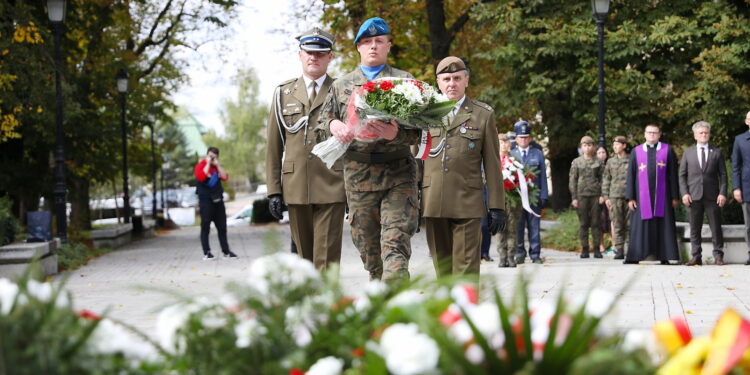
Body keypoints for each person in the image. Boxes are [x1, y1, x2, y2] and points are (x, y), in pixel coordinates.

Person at [318, 17, 420, 282]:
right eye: (366, 42)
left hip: (398, 174)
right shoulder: (340, 86)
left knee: (395, 245)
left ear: (388, 45)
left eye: (379, 41)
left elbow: (422, 128)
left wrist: (397, 133)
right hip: (359, 175)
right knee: (368, 248)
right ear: (358, 48)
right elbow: (321, 124)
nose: (373, 46)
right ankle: (381, 298)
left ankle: (398, 303)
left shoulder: (405, 82)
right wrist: (334, 124)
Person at [265, 28, 346, 271]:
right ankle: (309, 307)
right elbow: (273, 145)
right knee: (303, 262)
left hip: (333, 184)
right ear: (300, 54)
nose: (314, 57)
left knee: (327, 260)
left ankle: (326, 307)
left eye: (320, 53)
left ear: (330, 57)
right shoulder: (283, 93)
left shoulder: (342, 90)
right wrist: (273, 191)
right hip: (296, 186)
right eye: (309, 52)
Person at [420, 56, 505, 278]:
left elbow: (493, 163)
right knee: (443, 271)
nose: (452, 84)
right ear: (438, 82)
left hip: (467, 201)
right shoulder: (424, 113)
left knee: (466, 270)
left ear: (466, 80)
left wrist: (497, 206)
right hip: (433, 201)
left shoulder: (482, 114)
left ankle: (466, 311)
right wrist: (411, 201)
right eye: (446, 78)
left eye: (457, 78)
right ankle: (448, 312)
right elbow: (415, 159)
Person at [624, 124, 680, 264]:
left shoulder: (667, 150)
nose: (652, 135)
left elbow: (673, 174)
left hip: (663, 197)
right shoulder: (636, 151)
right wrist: (630, 197)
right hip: (640, 197)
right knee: (640, 227)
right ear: (644, 134)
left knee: (663, 226)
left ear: (659, 134)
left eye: (655, 133)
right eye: (649, 132)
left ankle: (664, 256)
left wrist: (674, 196)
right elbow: (630, 175)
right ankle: (635, 256)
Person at [679, 121, 727, 266]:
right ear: (695, 135)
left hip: (713, 196)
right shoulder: (688, 153)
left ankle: (718, 256)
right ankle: (696, 256)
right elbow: (682, 175)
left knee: (716, 227)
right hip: (693, 196)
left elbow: (723, 175)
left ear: (709, 134)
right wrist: (684, 193)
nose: (704, 135)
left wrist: (723, 193)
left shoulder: (717, 152)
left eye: (706, 132)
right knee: (694, 228)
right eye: (701, 133)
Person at [511, 120, 548, 264]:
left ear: (530, 138)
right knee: (518, 227)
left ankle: (535, 253)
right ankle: (520, 252)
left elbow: (543, 176)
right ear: (516, 139)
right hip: (518, 198)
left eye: (526, 137)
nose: (524, 139)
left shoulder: (537, 154)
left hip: (534, 197)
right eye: (521, 137)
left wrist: (544, 195)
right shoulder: (511, 154)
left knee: (534, 227)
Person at [194, 147, 237, 260]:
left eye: (214, 156)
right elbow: (202, 177)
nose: (212, 158)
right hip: (205, 201)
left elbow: (224, 177)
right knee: (205, 226)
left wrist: (217, 165)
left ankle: (226, 251)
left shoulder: (216, 167)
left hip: (218, 200)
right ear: (207, 155)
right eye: (210, 155)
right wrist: (207, 163)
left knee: (222, 226)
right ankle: (206, 252)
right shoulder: (201, 165)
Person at [569, 136, 604, 258]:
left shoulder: (599, 162)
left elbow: (603, 179)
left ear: (593, 146)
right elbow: (572, 180)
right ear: (581, 147)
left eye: (589, 145)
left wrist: (603, 195)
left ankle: (596, 249)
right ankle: (584, 249)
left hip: (595, 195)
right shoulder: (576, 162)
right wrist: (574, 197)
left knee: (596, 223)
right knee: (583, 223)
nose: (587, 147)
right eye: (585, 145)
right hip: (581, 196)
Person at [602, 136, 630, 259]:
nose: (615, 147)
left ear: (624, 145)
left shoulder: (631, 160)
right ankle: (619, 249)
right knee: (617, 224)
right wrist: (606, 197)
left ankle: (630, 249)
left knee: (629, 224)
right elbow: (606, 179)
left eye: (618, 144)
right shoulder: (610, 162)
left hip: (628, 196)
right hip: (614, 197)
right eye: (614, 145)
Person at [496, 133, 522, 268]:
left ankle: (511, 257)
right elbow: (484, 178)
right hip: (498, 200)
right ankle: (502, 257)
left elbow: (523, 178)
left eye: (506, 142)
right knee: (500, 229)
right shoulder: (493, 160)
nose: (504, 145)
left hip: (513, 201)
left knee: (512, 229)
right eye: (501, 142)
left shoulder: (515, 160)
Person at [731, 110, 750, 266]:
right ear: (746, 121)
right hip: (747, 188)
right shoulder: (740, 140)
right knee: (749, 225)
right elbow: (735, 166)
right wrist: (736, 188)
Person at [596, 146, 613, 254]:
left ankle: (614, 245)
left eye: (603, 152)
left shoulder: (611, 164)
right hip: (597, 199)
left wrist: (607, 196)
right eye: (599, 152)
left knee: (611, 221)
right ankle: (600, 246)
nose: (602, 154)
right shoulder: (593, 166)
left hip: (610, 197)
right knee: (599, 223)